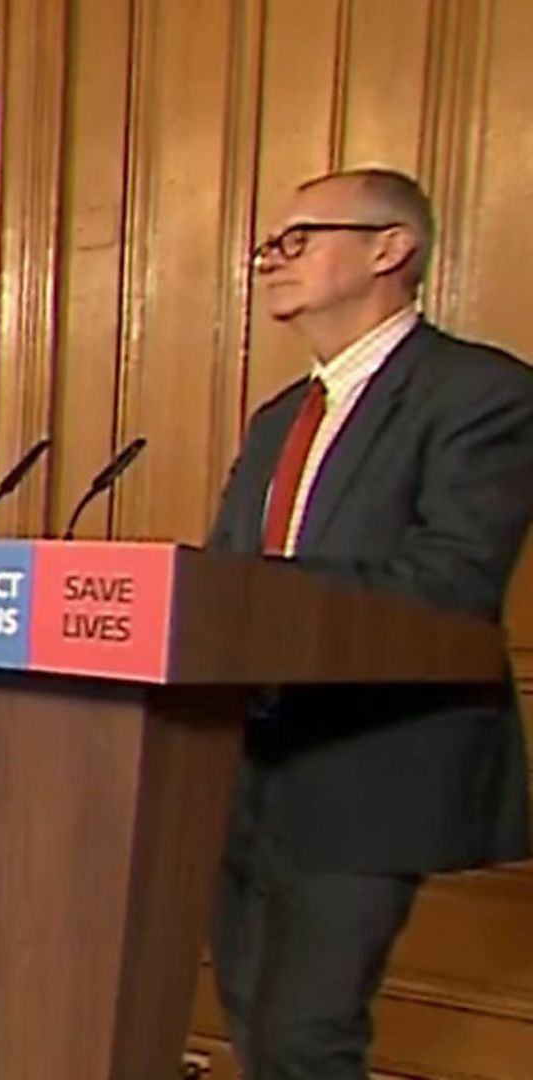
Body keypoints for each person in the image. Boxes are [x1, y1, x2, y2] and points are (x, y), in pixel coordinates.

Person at [205, 168, 533, 1078]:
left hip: (371, 764)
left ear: (391, 248)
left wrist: (257, 595)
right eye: (271, 243)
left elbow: (452, 580)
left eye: (298, 238)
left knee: (307, 1037)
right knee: (250, 1018)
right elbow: (223, 578)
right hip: (242, 761)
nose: (273, 259)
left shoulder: (483, 393)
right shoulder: (279, 419)